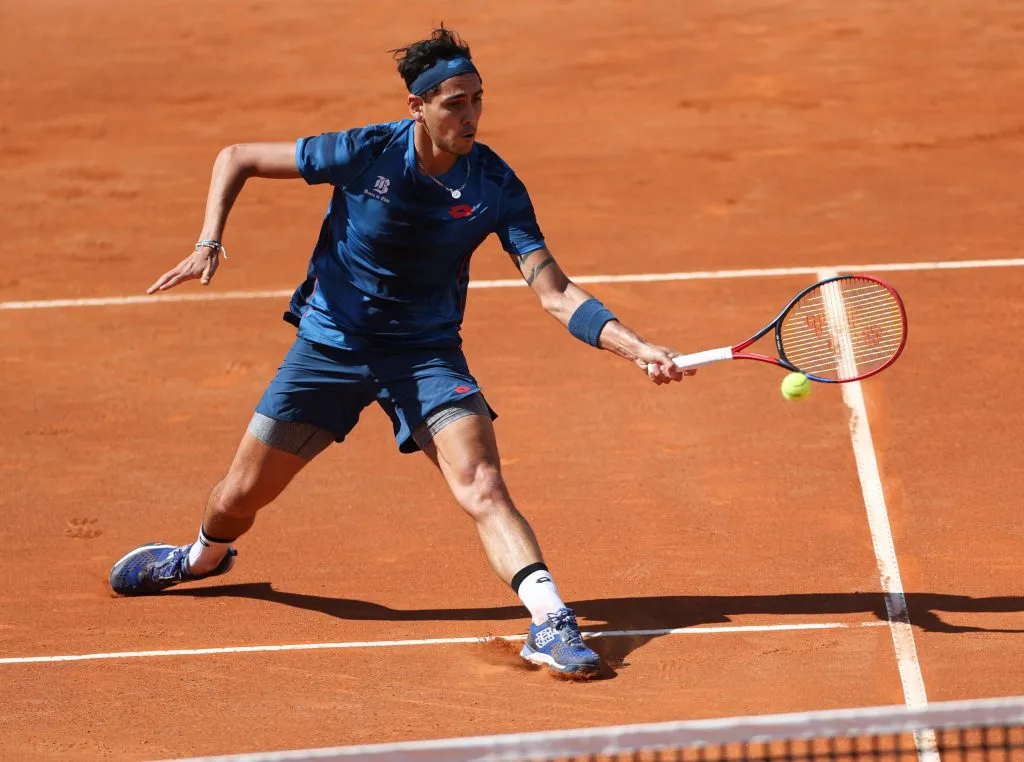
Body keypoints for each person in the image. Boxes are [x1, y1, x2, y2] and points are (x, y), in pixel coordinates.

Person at [109, 27, 693, 677]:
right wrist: (208, 239)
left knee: (483, 482)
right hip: (329, 347)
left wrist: (630, 344)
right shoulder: (365, 153)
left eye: (477, 99)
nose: (469, 115)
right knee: (239, 496)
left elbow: (555, 292)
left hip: (425, 355)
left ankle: (550, 621)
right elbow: (237, 156)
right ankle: (200, 558)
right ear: (416, 106)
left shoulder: (494, 184)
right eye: (453, 103)